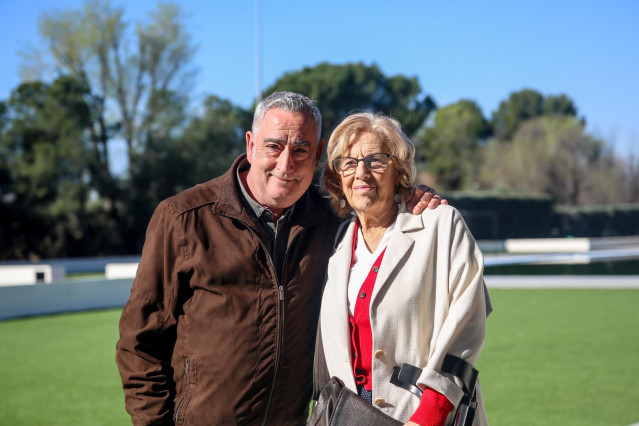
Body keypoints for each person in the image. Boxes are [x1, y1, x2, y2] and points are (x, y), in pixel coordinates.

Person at [115, 91, 444, 425]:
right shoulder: (183, 217)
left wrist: (412, 198)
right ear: (251, 145)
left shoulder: (335, 218)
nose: (286, 164)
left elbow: (379, 202)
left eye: (301, 149)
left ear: (317, 154)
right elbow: (139, 343)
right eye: (274, 146)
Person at [318, 112, 492, 426]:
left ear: (399, 169)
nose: (361, 173)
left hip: (426, 417)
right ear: (337, 175)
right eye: (349, 162)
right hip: (352, 416)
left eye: (376, 160)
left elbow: (469, 320)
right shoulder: (337, 244)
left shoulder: (439, 223)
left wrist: (429, 415)